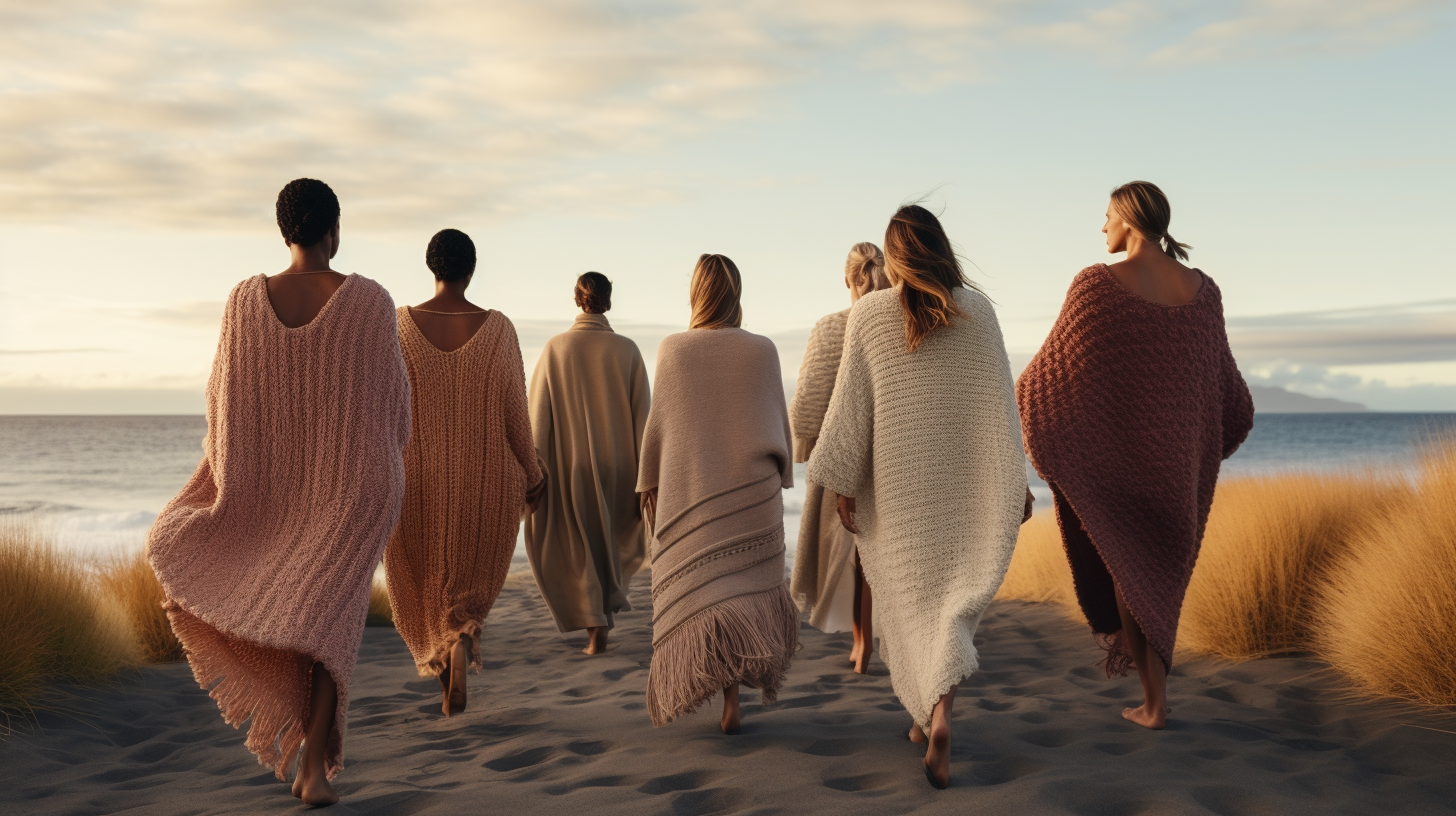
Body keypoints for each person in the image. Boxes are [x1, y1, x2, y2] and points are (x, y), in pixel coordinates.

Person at [147, 178, 410, 806]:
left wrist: (235, 472)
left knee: (316, 622)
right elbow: (394, 404)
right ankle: (312, 766)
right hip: (350, 492)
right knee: (330, 627)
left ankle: (310, 763)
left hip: (269, 488)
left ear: (283, 230)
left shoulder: (243, 300)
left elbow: (222, 403)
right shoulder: (370, 300)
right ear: (334, 231)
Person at [809, 205, 1032, 789]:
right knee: (952, 603)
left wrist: (842, 483)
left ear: (897, 256)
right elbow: (1000, 408)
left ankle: (929, 716)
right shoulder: (977, 310)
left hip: (900, 490)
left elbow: (850, 408)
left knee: (910, 605)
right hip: (963, 486)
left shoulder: (871, 315)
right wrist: (1015, 481)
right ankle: (934, 715)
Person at [1017, 181, 1254, 730]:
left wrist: (1065, 431)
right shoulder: (1204, 289)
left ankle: (1153, 702)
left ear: (1127, 217)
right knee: (1153, 577)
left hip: (1124, 466)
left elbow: (1045, 380)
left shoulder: (1095, 286)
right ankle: (1157, 696)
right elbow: (1226, 391)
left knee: (1129, 571)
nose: (1102, 228)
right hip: (1178, 470)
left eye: (1105, 217)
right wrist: (1195, 444)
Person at [384, 228, 545, 717]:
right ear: (471, 270)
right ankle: (460, 642)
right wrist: (534, 474)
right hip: (486, 479)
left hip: (415, 481)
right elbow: (516, 415)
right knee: (466, 589)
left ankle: (445, 665)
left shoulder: (397, 327)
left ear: (432, 269)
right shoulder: (499, 329)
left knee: (426, 582)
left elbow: (383, 410)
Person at [637, 254, 798, 734]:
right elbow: (777, 426)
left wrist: (650, 486)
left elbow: (660, 433)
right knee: (739, 591)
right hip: (752, 493)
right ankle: (733, 696)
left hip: (694, 491)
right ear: (737, 294)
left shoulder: (674, 350)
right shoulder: (762, 350)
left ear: (696, 293)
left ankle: (726, 693)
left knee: (709, 593)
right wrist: (783, 474)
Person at [525, 272, 651, 655]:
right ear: (607, 301)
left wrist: (534, 470)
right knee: (608, 544)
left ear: (577, 300)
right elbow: (645, 419)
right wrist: (648, 477)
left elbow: (538, 417)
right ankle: (603, 617)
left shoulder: (556, 348)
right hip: (620, 465)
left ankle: (595, 626)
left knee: (577, 547)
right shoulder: (627, 350)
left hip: (570, 466)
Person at [789, 242, 891, 674]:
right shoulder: (898, 322)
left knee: (847, 551)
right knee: (874, 551)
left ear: (848, 278)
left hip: (840, 451)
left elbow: (809, 397)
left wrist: (803, 442)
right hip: (890, 452)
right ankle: (866, 638)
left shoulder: (832, 327)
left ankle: (861, 640)